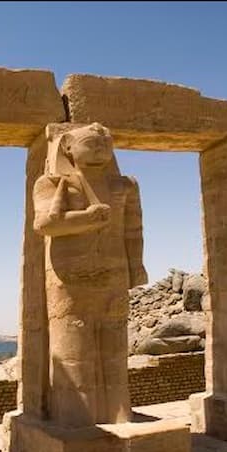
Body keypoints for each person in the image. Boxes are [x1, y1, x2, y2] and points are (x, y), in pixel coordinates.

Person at [32, 123, 147, 427]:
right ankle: (75, 421)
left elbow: (133, 231)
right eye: (91, 143)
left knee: (114, 349)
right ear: (67, 146)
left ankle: (120, 416)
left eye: (104, 144)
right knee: (73, 350)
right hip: (69, 277)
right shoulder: (49, 183)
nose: (99, 148)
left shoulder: (126, 186)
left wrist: (137, 265)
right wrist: (85, 220)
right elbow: (45, 225)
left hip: (114, 273)